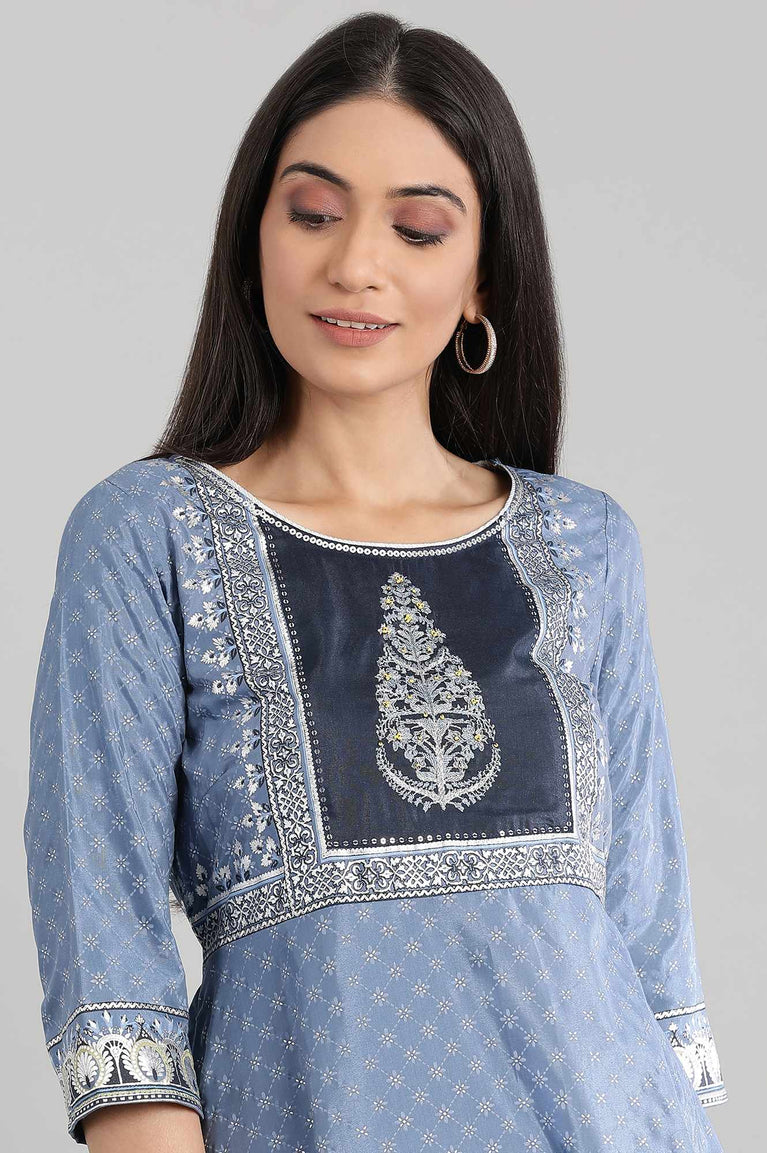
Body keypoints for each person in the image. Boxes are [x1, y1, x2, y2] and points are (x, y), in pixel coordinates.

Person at [23, 12, 727, 1152]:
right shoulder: (149, 533)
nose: (355, 262)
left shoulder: (582, 543)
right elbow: (107, 959)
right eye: (312, 213)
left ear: (481, 278)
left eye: (417, 227)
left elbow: (650, 954)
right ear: (252, 238)